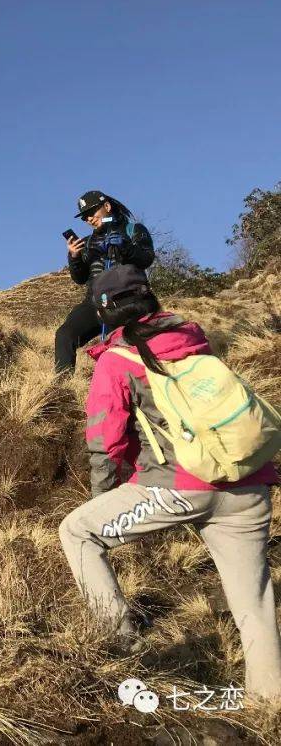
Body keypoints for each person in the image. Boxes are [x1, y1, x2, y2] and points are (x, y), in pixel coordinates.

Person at [58, 265, 281, 699]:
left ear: (104, 314)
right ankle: (269, 703)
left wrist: (104, 498)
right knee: (254, 604)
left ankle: (122, 647)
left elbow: (105, 442)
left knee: (78, 532)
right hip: (248, 485)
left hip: (177, 488)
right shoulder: (195, 341)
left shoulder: (116, 360)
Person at [55, 190, 154, 373]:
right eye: (84, 217)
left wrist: (125, 248)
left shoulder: (134, 230)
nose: (89, 219)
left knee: (119, 348)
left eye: (92, 212)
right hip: (94, 301)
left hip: (127, 300)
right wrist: (74, 257)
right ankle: (62, 385)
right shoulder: (86, 242)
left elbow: (146, 258)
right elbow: (80, 278)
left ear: (107, 206)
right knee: (64, 335)